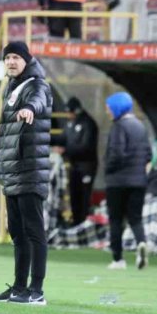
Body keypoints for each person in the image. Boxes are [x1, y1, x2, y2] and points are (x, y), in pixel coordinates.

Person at [0, 41, 52, 305]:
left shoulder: (36, 84)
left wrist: (30, 109)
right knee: (17, 232)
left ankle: (37, 290)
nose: (11, 62)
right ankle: (18, 287)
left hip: (30, 169)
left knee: (34, 232)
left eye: (16, 57)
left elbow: (39, 101)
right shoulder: (12, 86)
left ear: (27, 60)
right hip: (13, 170)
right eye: (7, 58)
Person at [102, 92, 152, 270]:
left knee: (116, 220)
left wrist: (107, 169)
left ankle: (118, 259)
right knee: (135, 219)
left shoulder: (119, 126)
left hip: (117, 181)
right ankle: (141, 242)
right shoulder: (140, 126)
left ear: (117, 107)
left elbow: (116, 154)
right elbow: (148, 155)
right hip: (138, 181)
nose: (107, 111)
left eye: (109, 108)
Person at [62, 96, 98, 225]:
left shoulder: (88, 123)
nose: (68, 115)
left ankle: (83, 222)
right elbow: (63, 138)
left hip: (86, 166)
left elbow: (86, 146)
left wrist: (65, 150)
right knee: (74, 194)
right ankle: (76, 222)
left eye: (70, 112)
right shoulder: (70, 123)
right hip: (74, 166)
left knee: (84, 196)